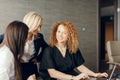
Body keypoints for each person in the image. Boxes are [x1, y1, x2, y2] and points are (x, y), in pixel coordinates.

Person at [39, 21, 108, 80]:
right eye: (59, 31)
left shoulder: (73, 49)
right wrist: (74, 78)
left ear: (69, 36)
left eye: (64, 33)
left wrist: (94, 74)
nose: (60, 35)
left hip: (70, 76)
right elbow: (52, 73)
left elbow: (80, 66)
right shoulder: (48, 50)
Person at [21, 11, 48, 79]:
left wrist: (38, 58)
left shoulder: (39, 37)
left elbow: (47, 48)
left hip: (30, 67)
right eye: (37, 26)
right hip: (16, 68)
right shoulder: (16, 34)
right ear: (30, 24)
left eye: (40, 26)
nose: (39, 29)